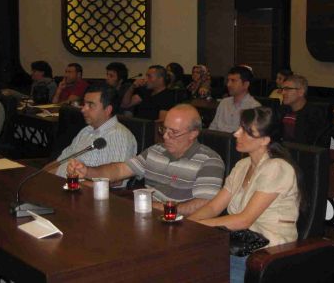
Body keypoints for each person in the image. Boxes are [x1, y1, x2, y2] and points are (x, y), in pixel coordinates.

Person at [189, 107, 303, 283]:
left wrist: (198, 227)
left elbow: (244, 220)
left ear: (265, 140)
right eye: (239, 128)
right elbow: (213, 206)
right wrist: (186, 225)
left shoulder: (277, 167)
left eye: (246, 131)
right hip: (239, 247)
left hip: (268, 254)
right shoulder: (243, 165)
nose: (236, 133)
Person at [67, 104, 225, 214]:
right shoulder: (156, 151)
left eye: (174, 132)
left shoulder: (209, 161)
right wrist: (87, 171)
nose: (165, 136)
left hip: (179, 223)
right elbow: (120, 169)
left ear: (193, 134)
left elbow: (204, 205)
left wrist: (154, 207)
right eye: (164, 129)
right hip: (147, 216)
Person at [48, 83, 137, 188]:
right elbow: (60, 161)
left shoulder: (119, 136)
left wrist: (71, 185)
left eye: (90, 105)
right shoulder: (86, 130)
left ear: (108, 110)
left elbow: (115, 182)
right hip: (59, 186)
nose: (83, 109)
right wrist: (39, 176)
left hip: (81, 195)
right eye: (84, 104)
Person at [277, 74, 329, 145]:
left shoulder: (314, 114)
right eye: (282, 89)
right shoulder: (281, 111)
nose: (283, 92)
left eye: (287, 89)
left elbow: (309, 144)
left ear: (301, 92)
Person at [209, 66, 261, 132]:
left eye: (233, 81)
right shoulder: (224, 103)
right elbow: (212, 128)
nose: (228, 84)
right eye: (228, 80)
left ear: (246, 84)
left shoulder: (254, 107)